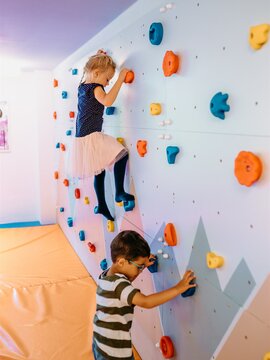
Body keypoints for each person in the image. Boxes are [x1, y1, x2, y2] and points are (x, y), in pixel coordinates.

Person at [92, 230, 196, 359]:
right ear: (121, 262)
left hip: (100, 341)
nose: (140, 271)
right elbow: (146, 302)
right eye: (139, 266)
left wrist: (143, 264)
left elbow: (125, 281)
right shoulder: (119, 286)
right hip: (114, 351)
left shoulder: (107, 275)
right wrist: (178, 288)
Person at [71, 50, 134, 221]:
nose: (107, 84)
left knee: (99, 171)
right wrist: (120, 78)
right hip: (92, 136)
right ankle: (119, 191)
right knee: (122, 154)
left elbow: (88, 69)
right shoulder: (96, 88)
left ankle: (102, 205)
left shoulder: (82, 86)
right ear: (97, 74)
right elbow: (107, 101)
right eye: (107, 79)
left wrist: (96, 56)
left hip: (82, 137)